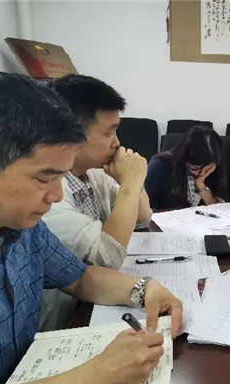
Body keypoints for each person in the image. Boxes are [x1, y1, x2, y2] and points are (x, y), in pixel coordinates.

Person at [0, 73, 182, 384]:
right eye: (44, 178)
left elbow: (80, 278)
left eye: (61, 177)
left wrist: (144, 289)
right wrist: (101, 372)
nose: (56, 196)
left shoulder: (16, 222)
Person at [43, 74, 152, 269]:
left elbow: (141, 219)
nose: (117, 142)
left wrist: (133, 181)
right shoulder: (49, 194)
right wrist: (131, 183)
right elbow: (106, 259)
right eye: (108, 133)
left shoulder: (96, 173)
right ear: (72, 134)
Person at [145, 125, 227, 208]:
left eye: (207, 168)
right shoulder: (159, 165)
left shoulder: (214, 165)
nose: (202, 173)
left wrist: (201, 185)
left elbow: (218, 210)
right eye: (195, 168)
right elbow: (145, 209)